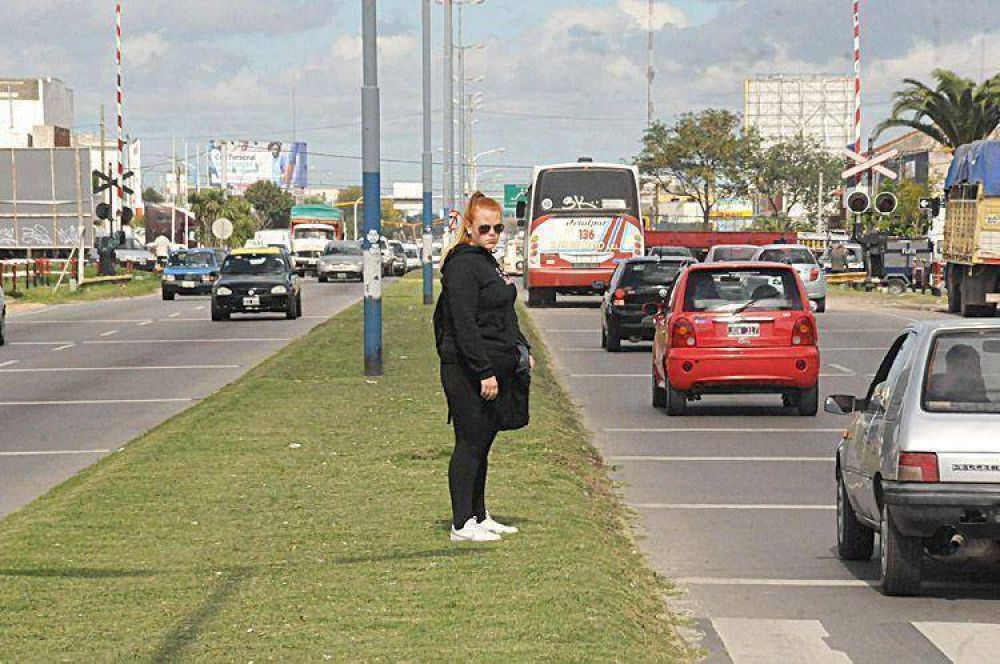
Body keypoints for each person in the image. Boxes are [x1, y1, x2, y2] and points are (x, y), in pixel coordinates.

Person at [435, 192, 533, 543]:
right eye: (485, 228)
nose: (493, 233)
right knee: (469, 443)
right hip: (467, 369)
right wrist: (483, 371)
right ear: (469, 228)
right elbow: (464, 324)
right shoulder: (462, 265)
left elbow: (503, 312)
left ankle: (479, 514)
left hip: (496, 363)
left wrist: (523, 347)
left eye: (498, 227)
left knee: (484, 443)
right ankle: (461, 524)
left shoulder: (487, 262)